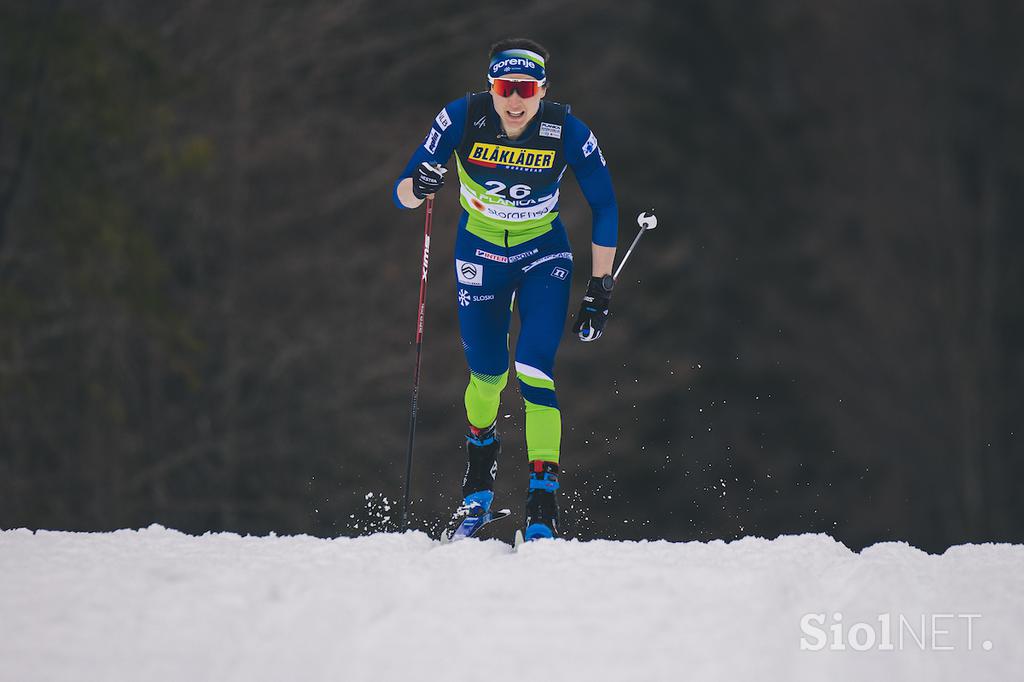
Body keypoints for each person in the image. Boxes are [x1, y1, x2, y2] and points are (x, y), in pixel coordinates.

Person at [393, 38, 618, 542]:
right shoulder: (461, 118)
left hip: (543, 255)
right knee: (489, 377)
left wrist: (600, 287)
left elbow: (605, 205)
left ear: (543, 90)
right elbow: (402, 193)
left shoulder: (567, 130)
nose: (515, 101)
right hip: (480, 256)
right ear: (489, 87)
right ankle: (478, 483)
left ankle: (542, 504)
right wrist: (422, 184)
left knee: (534, 368)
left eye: (526, 89)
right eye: (504, 88)